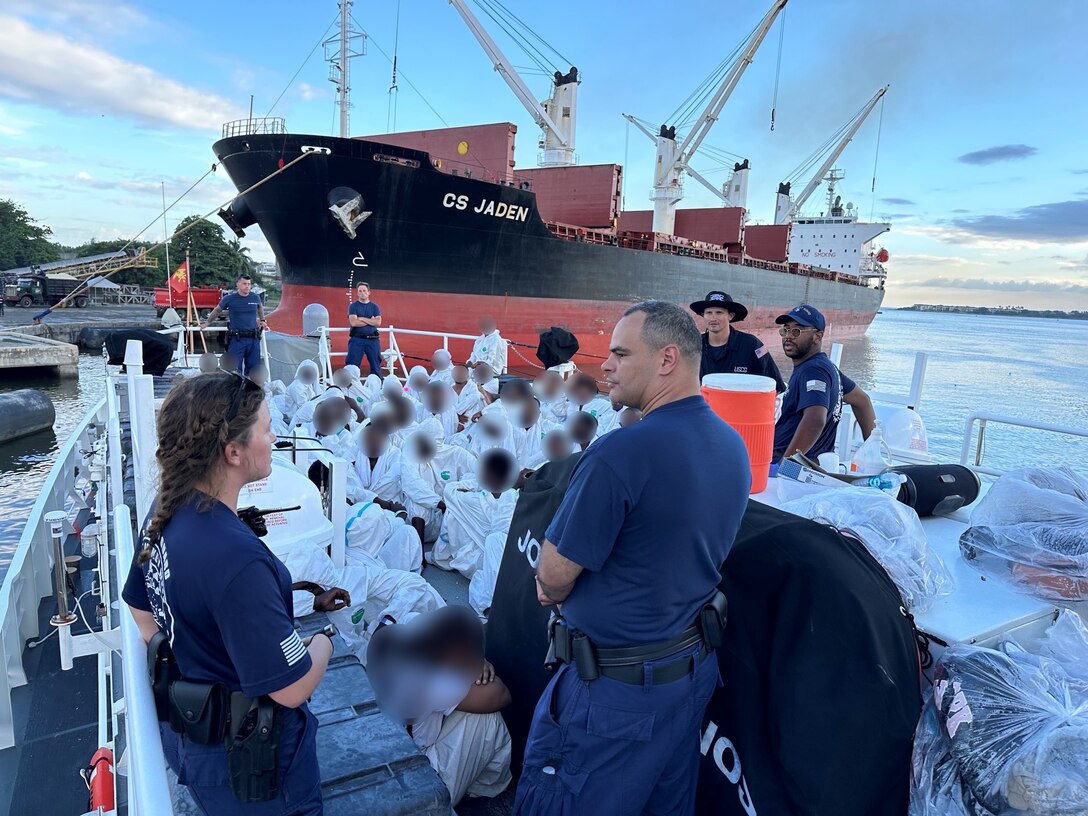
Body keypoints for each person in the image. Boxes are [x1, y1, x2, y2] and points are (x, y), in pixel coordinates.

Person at [516, 300, 750, 816]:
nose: (606, 363)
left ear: (667, 359)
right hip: (688, 677)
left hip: (613, 697)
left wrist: (550, 583)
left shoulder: (620, 452)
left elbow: (553, 576)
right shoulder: (733, 446)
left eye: (621, 353)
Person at [122, 373, 331, 814]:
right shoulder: (237, 559)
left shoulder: (165, 509)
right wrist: (323, 643)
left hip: (193, 742)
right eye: (267, 428)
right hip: (255, 767)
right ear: (233, 451)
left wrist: (201, 653)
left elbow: (143, 616)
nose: (275, 437)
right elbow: (290, 690)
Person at [367, 606, 512, 807]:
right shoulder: (437, 683)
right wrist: (476, 665)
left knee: (461, 707)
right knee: (485, 717)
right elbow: (502, 695)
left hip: (372, 757)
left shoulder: (395, 641)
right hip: (409, 782)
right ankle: (474, 793)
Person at [773, 304, 876, 462]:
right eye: (786, 330)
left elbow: (815, 420)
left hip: (794, 468)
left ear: (818, 336)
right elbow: (862, 401)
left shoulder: (813, 370)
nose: (788, 336)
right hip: (815, 462)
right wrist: (872, 452)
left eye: (797, 331)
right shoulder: (826, 367)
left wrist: (786, 463)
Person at [429, 448, 519, 579]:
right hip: (508, 561)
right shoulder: (514, 497)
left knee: (453, 512)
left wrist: (477, 483)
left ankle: (440, 556)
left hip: (479, 563)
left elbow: (449, 490)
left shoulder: (474, 500)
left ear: (488, 474)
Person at [689, 291, 785, 391]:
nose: (713, 318)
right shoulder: (693, 345)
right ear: (703, 315)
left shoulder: (752, 344)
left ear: (731, 316)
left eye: (719, 313)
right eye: (709, 313)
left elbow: (775, 385)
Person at [201, 274, 266, 375]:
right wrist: (207, 323)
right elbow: (217, 310)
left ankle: (251, 390)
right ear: (238, 284)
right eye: (244, 284)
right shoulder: (229, 299)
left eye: (249, 284)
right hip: (237, 340)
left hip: (253, 339)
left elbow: (260, 308)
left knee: (254, 370)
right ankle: (235, 389)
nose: (247, 286)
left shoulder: (255, 297)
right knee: (233, 369)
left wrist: (263, 320)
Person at [346, 281, 382, 378]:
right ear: (357, 293)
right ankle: (350, 388)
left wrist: (361, 318)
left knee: (376, 365)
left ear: (369, 292)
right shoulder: (353, 306)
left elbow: (378, 322)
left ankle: (377, 385)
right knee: (352, 366)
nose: (362, 293)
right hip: (357, 340)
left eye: (364, 291)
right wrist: (370, 320)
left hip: (373, 340)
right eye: (360, 291)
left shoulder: (374, 307)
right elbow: (353, 322)